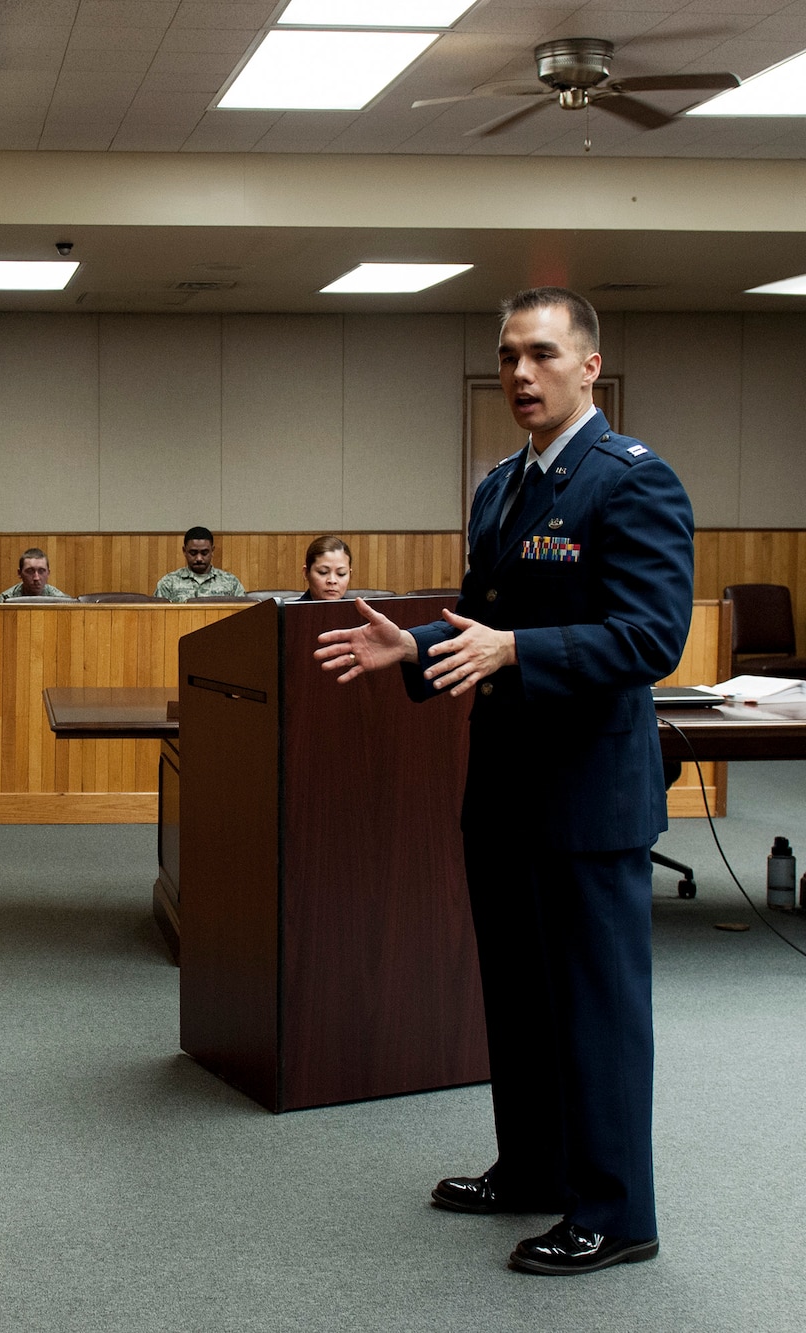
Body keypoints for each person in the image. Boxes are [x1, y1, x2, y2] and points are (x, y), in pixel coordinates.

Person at [313, 287, 693, 1277]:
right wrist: (416, 646)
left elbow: (651, 637)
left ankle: (614, 1212)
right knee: (518, 998)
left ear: (587, 367)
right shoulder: (498, 487)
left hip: (588, 792)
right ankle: (531, 1167)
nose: (518, 374)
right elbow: (485, 619)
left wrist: (514, 647)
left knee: (595, 1006)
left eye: (538, 354)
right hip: (505, 785)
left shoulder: (631, 483)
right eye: (505, 357)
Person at [155, 527, 244, 601]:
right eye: (193, 553)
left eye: (204, 553)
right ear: (184, 551)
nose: (199, 558)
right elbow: (159, 615)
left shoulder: (230, 582)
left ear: (212, 551)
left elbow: (244, 614)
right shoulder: (169, 583)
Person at [0, 548, 68, 600]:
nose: (36, 578)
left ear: (48, 573)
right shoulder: (5, 599)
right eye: (30, 571)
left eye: (41, 571)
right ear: (19, 573)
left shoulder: (61, 599)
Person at [300, 536, 352, 601]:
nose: (332, 580)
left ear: (350, 574)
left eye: (341, 573)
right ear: (306, 573)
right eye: (323, 572)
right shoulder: (290, 611)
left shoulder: (358, 610)